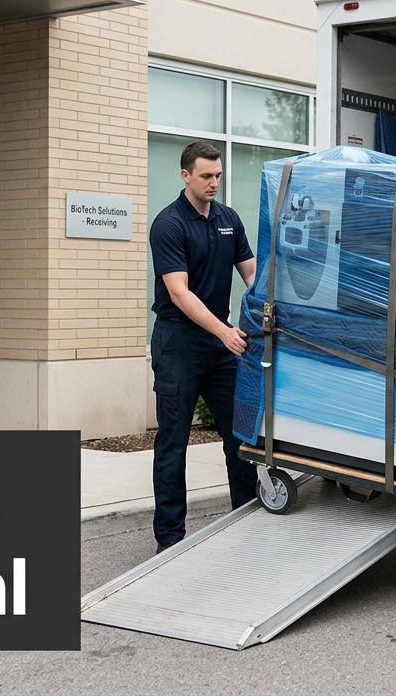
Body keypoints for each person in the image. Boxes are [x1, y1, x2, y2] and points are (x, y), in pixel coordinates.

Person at [147, 141, 259, 553]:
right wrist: (224, 332)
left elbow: (251, 274)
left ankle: (244, 518)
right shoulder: (169, 224)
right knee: (173, 440)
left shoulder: (228, 218)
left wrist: (270, 306)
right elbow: (179, 293)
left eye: (218, 175)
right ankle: (170, 537)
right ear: (185, 176)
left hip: (219, 342)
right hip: (180, 341)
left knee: (238, 434)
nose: (214, 183)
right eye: (206, 176)